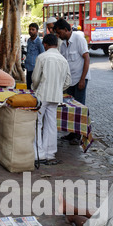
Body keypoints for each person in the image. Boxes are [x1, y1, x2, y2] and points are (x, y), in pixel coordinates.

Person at [31, 34, 71, 165]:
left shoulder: (42, 57)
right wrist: (59, 88)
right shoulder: (63, 59)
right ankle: (50, 154)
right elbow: (68, 82)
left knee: (38, 124)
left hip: (42, 95)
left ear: (45, 44)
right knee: (51, 124)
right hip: (56, 96)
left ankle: (38, 154)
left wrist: (34, 88)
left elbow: (35, 78)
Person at [53, 18, 91, 144]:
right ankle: (72, 132)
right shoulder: (63, 44)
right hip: (70, 80)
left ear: (66, 29)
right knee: (69, 107)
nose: (58, 36)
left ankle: (78, 135)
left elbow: (86, 59)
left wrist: (82, 80)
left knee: (79, 107)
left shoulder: (79, 39)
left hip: (80, 79)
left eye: (60, 33)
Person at [24, 22, 44, 89]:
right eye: (29, 29)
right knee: (28, 86)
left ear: (37, 31)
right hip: (28, 67)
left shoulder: (39, 42)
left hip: (35, 68)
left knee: (34, 87)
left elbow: (42, 54)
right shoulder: (29, 40)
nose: (30, 31)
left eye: (33, 29)